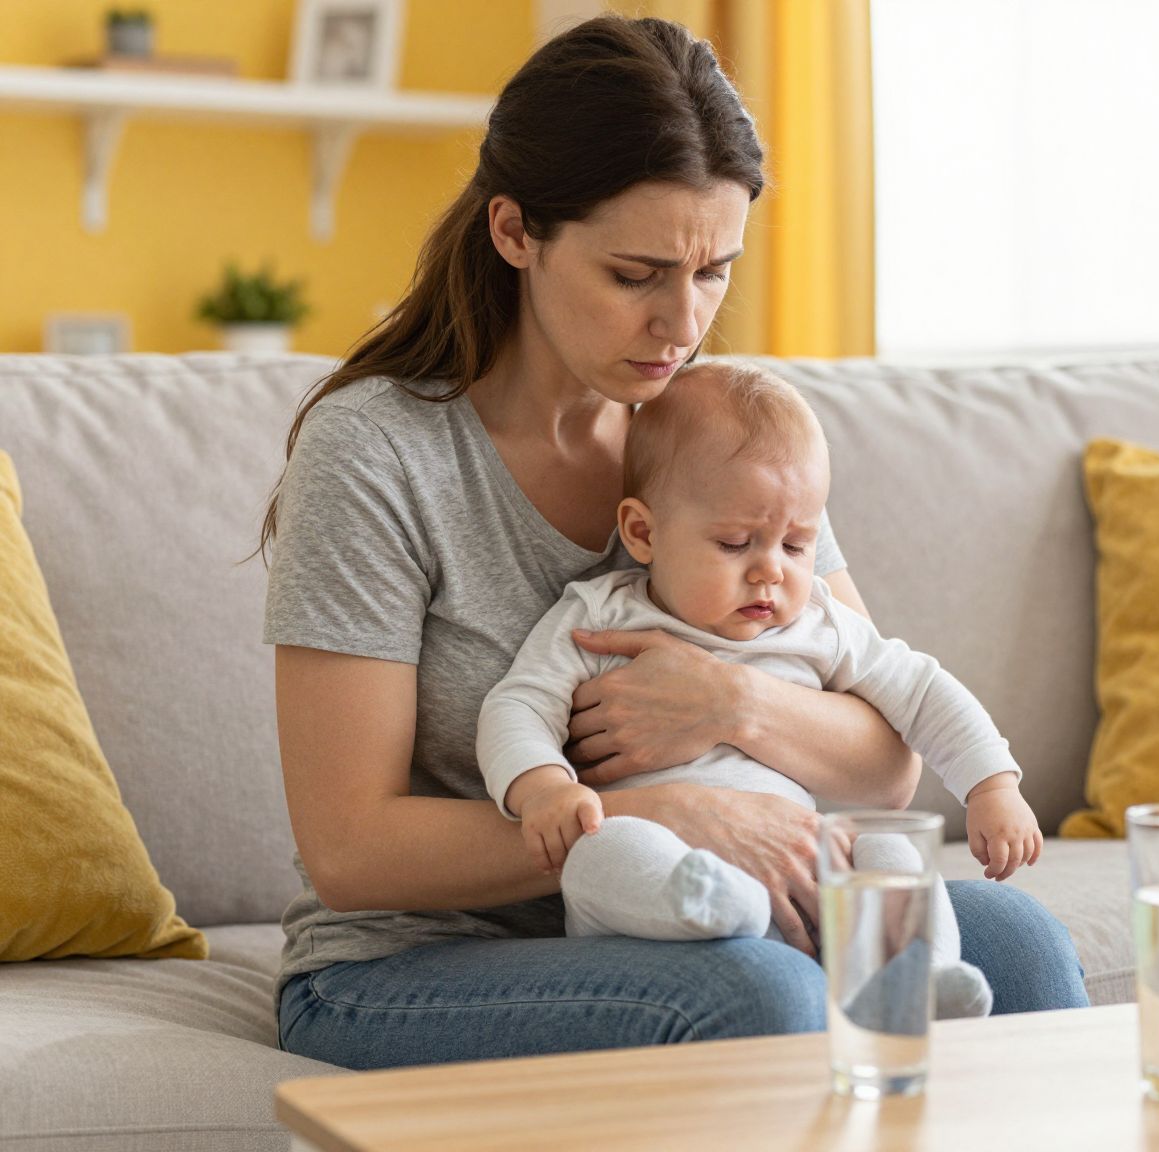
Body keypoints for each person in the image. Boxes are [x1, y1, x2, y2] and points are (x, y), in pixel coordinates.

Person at [259, 15, 1086, 1071]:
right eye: (636, 274)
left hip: (702, 918)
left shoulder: (718, 437)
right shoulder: (379, 452)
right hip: (401, 969)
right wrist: (660, 815)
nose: (680, 324)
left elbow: (882, 758)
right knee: (757, 994)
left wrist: (729, 702)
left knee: (1016, 945)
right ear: (516, 232)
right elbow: (350, 852)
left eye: (712, 273)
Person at [478, 362, 1044, 1019]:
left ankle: (920, 970)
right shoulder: (599, 614)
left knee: (890, 851)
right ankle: (711, 904)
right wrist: (544, 786)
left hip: (805, 870)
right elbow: (520, 705)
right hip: (662, 887)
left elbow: (921, 691)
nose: (770, 571)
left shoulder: (819, 623)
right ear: (642, 532)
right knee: (598, 854)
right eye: (735, 543)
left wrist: (992, 784)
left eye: (797, 545)